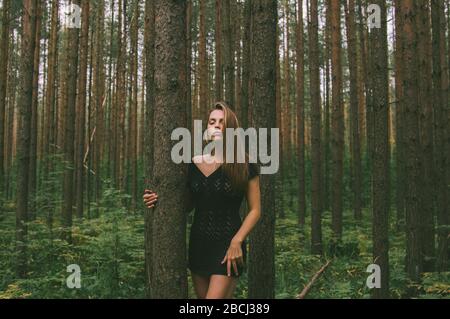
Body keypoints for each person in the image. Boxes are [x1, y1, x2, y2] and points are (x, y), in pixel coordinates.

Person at [143, 101, 261, 299]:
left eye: (221, 122)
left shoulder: (244, 164)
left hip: (228, 247)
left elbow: (256, 210)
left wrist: (237, 241)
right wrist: (157, 200)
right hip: (199, 245)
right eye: (211, 121)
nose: (215, 125)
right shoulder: (194, 164)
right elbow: (185, 206)